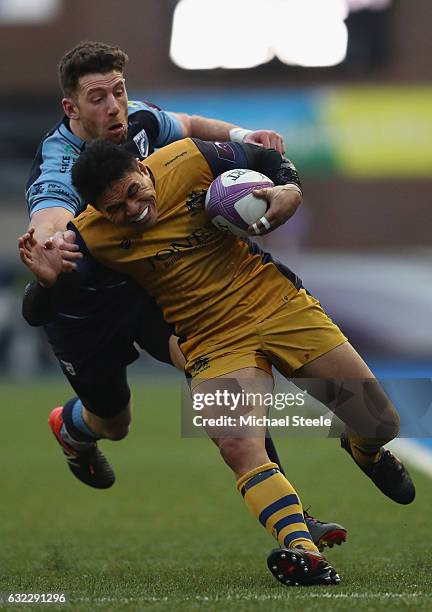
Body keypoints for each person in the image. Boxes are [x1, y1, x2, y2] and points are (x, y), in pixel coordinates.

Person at [20, 137, 415, 586]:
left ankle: (365, 450)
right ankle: (302, 551)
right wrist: (46, 283)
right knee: (239, 446)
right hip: (212, 339)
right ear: (96, 210)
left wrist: (290, 188)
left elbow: (265, 158)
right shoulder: (91, 237)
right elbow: (40, 310)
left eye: (133, 192)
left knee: (381, 422)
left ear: (143, 169)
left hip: (279, 305)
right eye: (115, 209)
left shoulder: (191, 159)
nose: (131, 210)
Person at [23, 40, 346, 550]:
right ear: (71, 108)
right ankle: (74, 426)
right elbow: (50, 215)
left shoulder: (139, 121)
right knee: (115, 420)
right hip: (86, 303)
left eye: (119, 93)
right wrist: (51, 245)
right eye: (98, 98)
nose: (113, 108)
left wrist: (244, 135)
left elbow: (191, 125)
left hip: (151, 290)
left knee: (228, 388)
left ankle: (295, 519)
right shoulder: (61, 161)